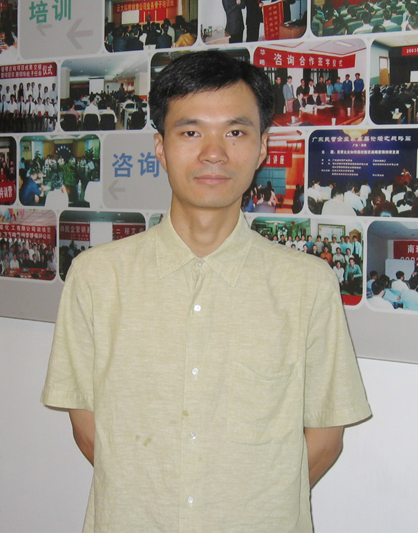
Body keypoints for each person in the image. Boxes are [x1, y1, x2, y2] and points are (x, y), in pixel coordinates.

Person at [41, 50, 370, 532]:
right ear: (160, 147)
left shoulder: (306, 284)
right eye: (191, 132)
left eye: (235, 133)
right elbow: (88, 426)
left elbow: (325, 436)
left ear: (262, 148)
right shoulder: (96, 277)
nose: (213, 153)